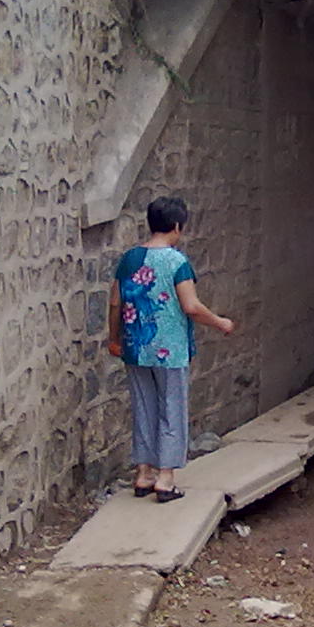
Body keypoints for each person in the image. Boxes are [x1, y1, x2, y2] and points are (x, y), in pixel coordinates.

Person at [107, 196, 236, 503]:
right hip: (170, 349)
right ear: (177, 226)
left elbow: (115, 302)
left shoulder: (128, 259)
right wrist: (220, 322)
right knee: (171, 408)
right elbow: (190, 306)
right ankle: (165, 478)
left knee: (144, 406)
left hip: (135, 346)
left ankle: (143, 473)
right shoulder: (178, 262)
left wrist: (114, 337)